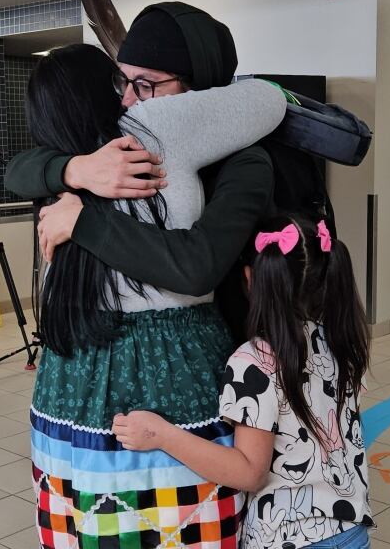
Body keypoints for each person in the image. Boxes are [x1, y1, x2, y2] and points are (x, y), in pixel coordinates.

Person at [27, 41, 287, 549]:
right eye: (123, 84)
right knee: (188, 522)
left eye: (145, 83)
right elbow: (270, 99)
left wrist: (72, 171)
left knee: (84, 527)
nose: (132, 95)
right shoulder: (156, 128)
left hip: (70, 372)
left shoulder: (51, 171)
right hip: (173, 365)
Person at [5, 2, 278, 342]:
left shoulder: (247, 162)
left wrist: (82, 222)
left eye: (147, 85)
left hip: (233, 346)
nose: (127, 101)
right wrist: (75, 169)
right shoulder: (120, 148)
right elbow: (18, 170)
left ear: (200, 89)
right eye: (123, 81)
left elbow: (197, 267)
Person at [112, 215, 375, 549]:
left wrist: (162, 434)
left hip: (289, 539)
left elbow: (250, 470)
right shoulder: (342, 340)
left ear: (250, 280)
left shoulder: (253, 362)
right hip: (351, 532)